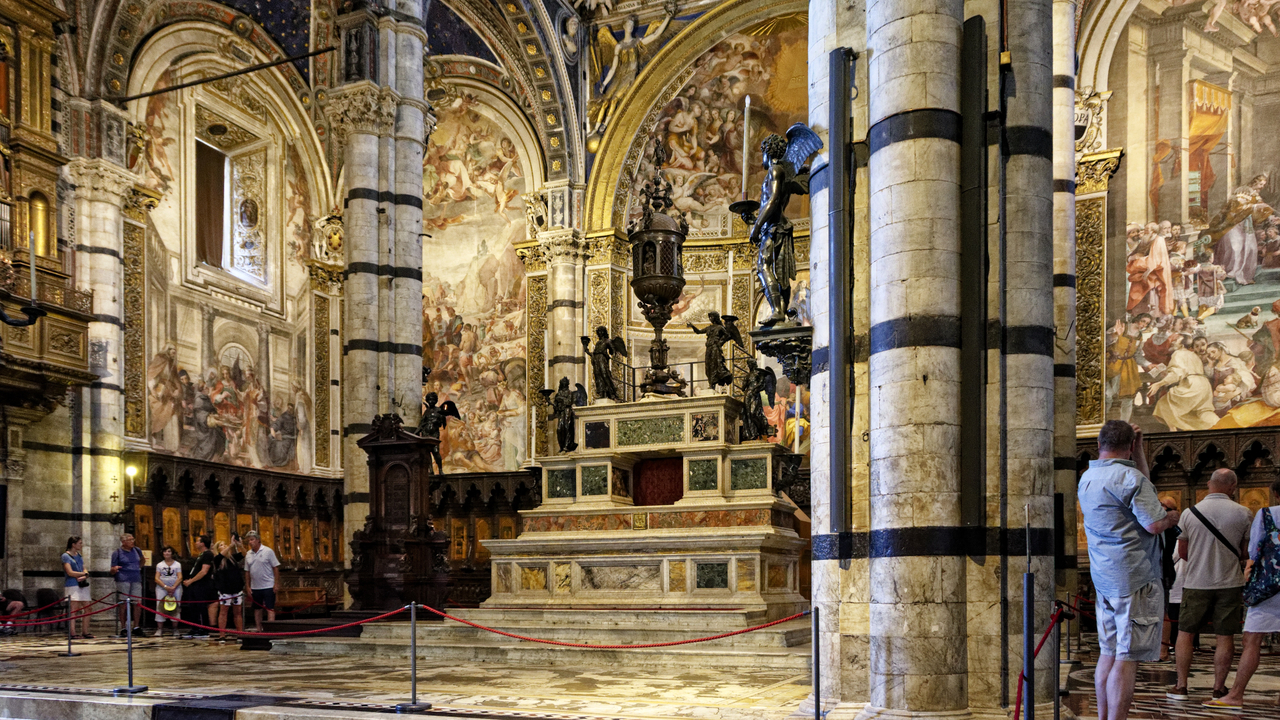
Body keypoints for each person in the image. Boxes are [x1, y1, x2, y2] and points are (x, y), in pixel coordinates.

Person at [1078, 420, 1180, 720]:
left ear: (1099, 444)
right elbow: (1154, 523)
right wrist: (1172, 518)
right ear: (1131, 446)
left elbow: (1140, 487)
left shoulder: (1088, 477)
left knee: (1109, 652)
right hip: (1135, 577)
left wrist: (1140, 450)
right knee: (1126, 656)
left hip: (1105, 577)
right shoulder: (1130, 478)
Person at [1168, 469, 1252, 701]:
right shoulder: (1243, 512)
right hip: (1230, 583)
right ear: (1233, 486)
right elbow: (1245, 552)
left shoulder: (1189, 513)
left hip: (1196, 582)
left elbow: (1183, 552)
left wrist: (1201, 560)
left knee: (1185, 633)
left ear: (1208, 484)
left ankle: (1181, 686)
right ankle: (1218, 688)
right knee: (1224, 636)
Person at [1202, 477, 1280, 709]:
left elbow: (1254, 550)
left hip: (1269, 588)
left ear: (1276, 494)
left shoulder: (1267, 514)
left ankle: (1236, 694)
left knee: (1252, 640)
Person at [243, 530, 280, 632]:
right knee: (257, 608)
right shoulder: (248, 554)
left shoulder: (268, 551)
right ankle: (259, 629)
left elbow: (275, 567)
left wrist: (276, 583)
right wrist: (248, 586)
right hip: (255, 586)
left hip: (268, 585)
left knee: (269, 608)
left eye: (252, 540)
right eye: (249, 540)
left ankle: (270, 629)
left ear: (258, 540)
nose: (250, 542)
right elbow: (247, 571)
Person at [1159, 496, 1181, 662]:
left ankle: (1162, 651)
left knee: (1163, 611)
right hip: (1159, 570)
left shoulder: (1169, 528)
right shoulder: (1170, 527)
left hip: (1162, 571)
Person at [110, 532, 144, 636]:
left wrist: (138, 568)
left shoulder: (137, 550)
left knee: (137, 603)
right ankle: (123, 627)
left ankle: (136, 626)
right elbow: (112, 569)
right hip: (123, 579)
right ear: (123, 542)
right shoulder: (117, 553)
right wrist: (115, 569)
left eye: (133, 539)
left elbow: (142, 560)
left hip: (136, 578)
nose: (132, 541)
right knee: (123, 604)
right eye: (130, 540)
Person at [181, 535, 216, 636]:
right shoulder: (201, 555)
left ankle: (203, 628)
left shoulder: (208, 554)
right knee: (193, 607)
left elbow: (204, 571)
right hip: (195, 585)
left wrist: (191, 581)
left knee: (201, 607)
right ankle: (194, 628)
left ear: (203, 543)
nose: (196, 543)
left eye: (197, 541)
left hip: (202, 585)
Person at [212, 538, 245, 642]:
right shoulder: (217, 559)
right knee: (223, 612)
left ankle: (240, 634)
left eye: (225, 544)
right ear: (217, 549)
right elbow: (221, 556)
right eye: (221, 545)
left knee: (238, 612)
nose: (224, 546)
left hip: (236, 588)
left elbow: (244, 554)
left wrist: (240, 545)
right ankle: (222, 635)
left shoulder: (232, 558)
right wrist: (231, 545)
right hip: (225, 590)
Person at [61, 536, 93, 639]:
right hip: (72, 584)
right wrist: (83, 574)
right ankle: (73, 632)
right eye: (80, 543)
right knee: (74, 609)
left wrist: (85, 574)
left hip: (82, 583)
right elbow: (70, 572)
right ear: (73, 544)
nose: (81, 545)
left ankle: (85, 631)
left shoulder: (79, 555)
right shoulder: (66, 556)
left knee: (88, 607)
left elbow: (84, 568)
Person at [153, 546, 183, 638]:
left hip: (175, 588)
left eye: (169, 551)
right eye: (165, 551)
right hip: (162, 588)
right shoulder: (160, 565)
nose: (167, 553)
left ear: (172, 553)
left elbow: (180, 577)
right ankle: (159, 628)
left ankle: (175, 628)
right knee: (160, 606)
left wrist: (173, 587)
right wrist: (165, 587)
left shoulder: (177, 564)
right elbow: (156, 578)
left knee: (175, 607)